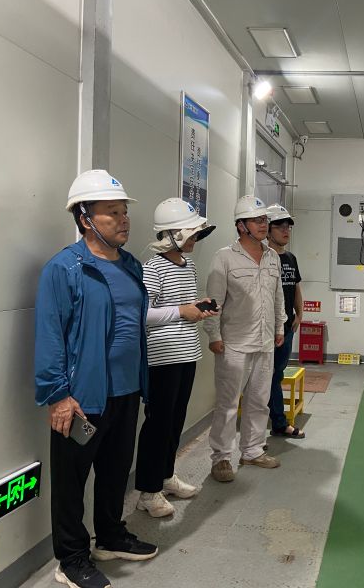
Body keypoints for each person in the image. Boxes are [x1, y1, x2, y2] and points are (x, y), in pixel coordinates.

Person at [35, 170, 157, 588]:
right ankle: (71, 558)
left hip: (127, 389)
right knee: (71, 481)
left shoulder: (131, 265)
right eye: (112, 213)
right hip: (83, 397)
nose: (124, 220)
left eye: (124, 212)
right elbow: (50, 335)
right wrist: (58, 395)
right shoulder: (64, 269)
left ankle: (110, 536)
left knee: (116, 469)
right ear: (85, 218)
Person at [134, 197, 218, 517]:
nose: (195, 238)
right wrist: (182, 312)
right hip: (162, 358)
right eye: (191, 233)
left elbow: (183, 306)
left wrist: (198, 308)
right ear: (171, 234)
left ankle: (166, 476)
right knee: (158, 424)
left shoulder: (188, 265)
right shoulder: (153, 268)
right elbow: (142, 314)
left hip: (187, 354)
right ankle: (148, 491)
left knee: (175, 421)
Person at [204, 195, 287, 482]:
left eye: (265, 220)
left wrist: (279, 327)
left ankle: (252, 450)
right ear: (241, 226)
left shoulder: (272, 257)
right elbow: (214, 301)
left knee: (259, 401)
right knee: (228, 405)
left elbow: (278, 296)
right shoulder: (224, 257)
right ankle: (221, 458)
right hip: (234, 344)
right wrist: (214, 334)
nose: (264, 225)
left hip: (265, 341)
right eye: (257, 220)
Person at [265, 204, 305, 439]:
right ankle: (276, 422)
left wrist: (299, 314)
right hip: (267, 328)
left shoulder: (290, 258)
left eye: (288, 226)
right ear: (268, 230)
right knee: (265, 375)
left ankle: (278, 422)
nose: (285, 230)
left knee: (276, 374)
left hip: (287, 328)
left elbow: (295, 287)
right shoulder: (263, 258)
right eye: (279, 226)